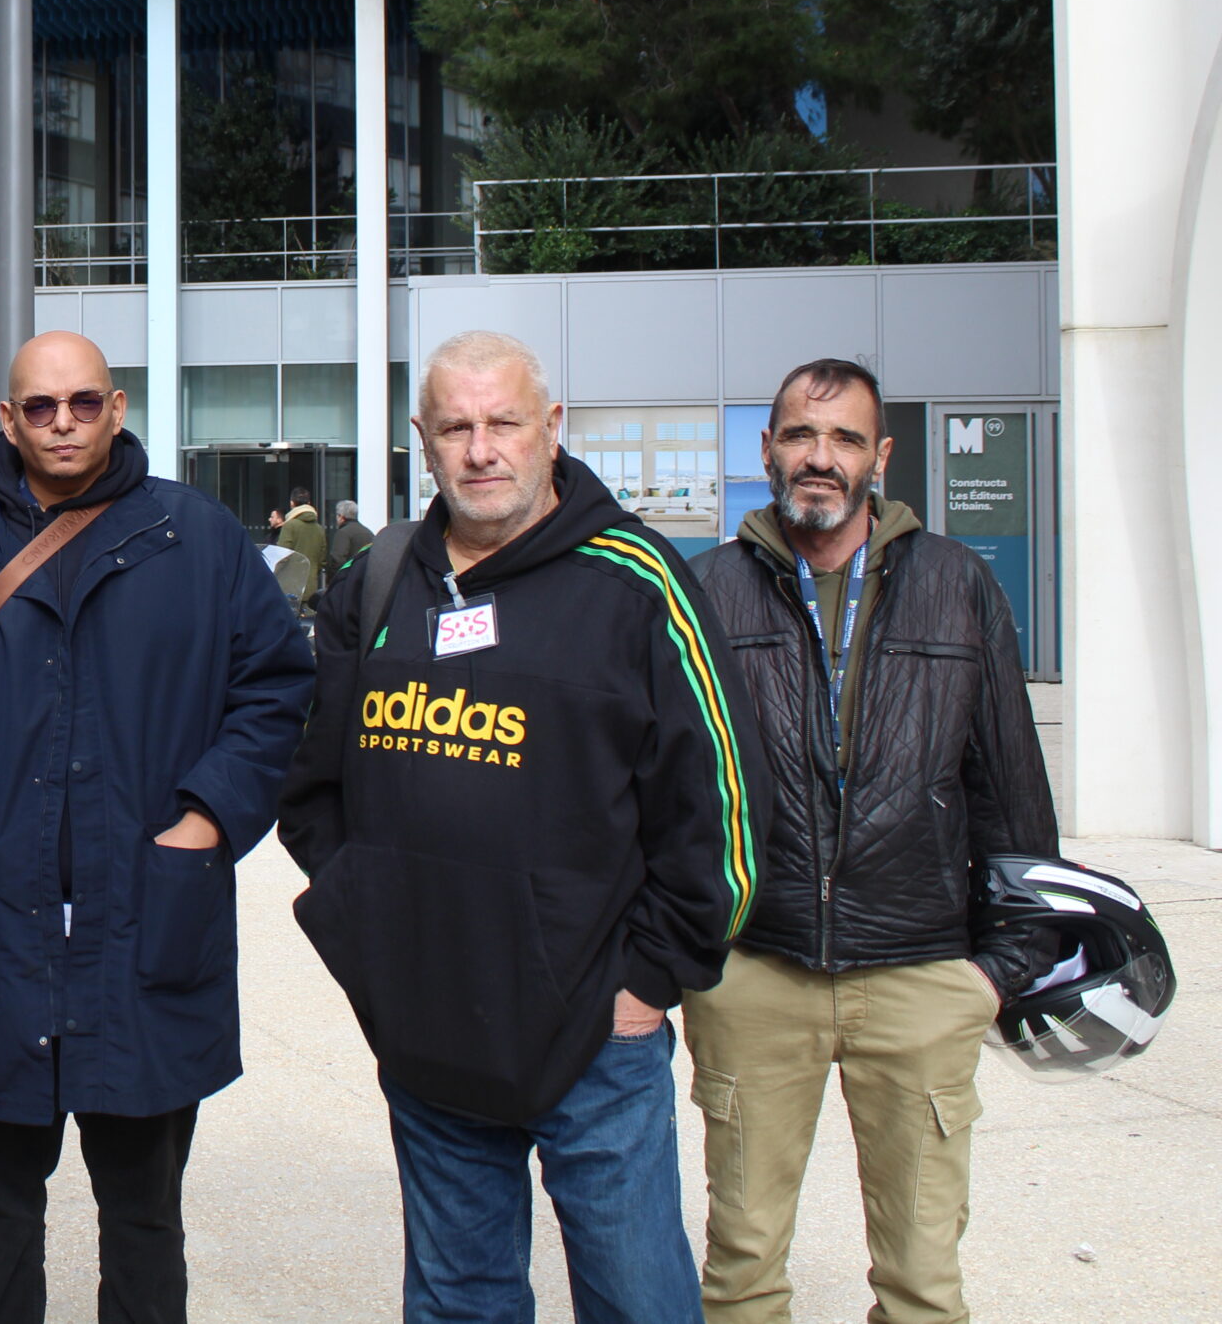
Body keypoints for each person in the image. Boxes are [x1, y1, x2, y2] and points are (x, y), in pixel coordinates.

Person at [280, 329, 761, 1324]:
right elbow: (309, 785)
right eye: (455, 427)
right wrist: (372, 936)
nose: (480, 449)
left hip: (597, 1037)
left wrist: (650, 977)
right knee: (460, 1302)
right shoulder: (378, 585)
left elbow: (719, 808)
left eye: (503, 423)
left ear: (551, 430)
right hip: (430, 1032)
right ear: (424, 439)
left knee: (638, 1303)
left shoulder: (638, 583)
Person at [0, 330, 314, 1324]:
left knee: (145, 1215)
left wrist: (207, 817)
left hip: (145, 917)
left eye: (83, 403)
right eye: (40, 407)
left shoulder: (196, 539)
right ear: (5, 418)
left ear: (118, 406)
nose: (62, 422)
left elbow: (273, 688)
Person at [683, 358, 1060, 1324]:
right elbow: (663, 789)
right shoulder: (706, 591)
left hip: (921, 972)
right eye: (802, 435)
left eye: (846, 438)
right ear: (766, 449)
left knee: (923, 1285)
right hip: (757, 976)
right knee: (742, 1273)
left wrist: (999, 970)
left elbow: (1011, 789)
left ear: (880, 456)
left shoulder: (956, 585)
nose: (822, 457)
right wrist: (692, 954)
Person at [276, 487, 328, 609]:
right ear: (309, 504)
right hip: (311, 587)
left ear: (292, 503)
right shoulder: (319, 529)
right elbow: (322, 560)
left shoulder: (290, 526)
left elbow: (282, 556)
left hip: (290, 588)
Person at [327, 499, 375, 571]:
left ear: (341, 517)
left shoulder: (343, 533)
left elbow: (337, 560)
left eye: (337, 515)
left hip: (349, 578)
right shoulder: (369, 532)